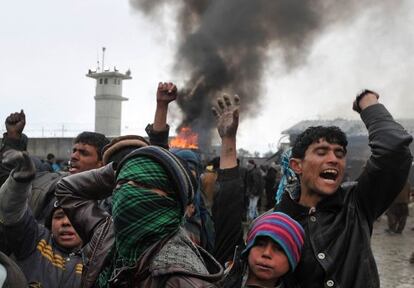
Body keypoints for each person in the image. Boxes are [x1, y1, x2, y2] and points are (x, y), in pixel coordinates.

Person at [274, 90, 413, 287]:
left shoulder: (356, 203)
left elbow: (394, 150)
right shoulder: (276, 221)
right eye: (321, 152)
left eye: (339, 154)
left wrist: (368, 102)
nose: (333, 159)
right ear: (297, 166)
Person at [56, 146, 223, 287]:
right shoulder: (106, 234)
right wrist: (120, 170)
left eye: (141, 184)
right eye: (121, 184)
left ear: (171, 200)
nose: (126, 192)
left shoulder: (182, 278)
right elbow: (67, 188)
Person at [0, 150, 84, 288]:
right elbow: (11, 212)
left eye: (74, 217)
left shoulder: (97, 256)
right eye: (58, 216)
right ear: (49, 222)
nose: (65, 222)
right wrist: (19, 182)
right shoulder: (35, 239)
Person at [222, 212, 304, 288]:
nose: (266, 253)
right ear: (248, 250)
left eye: (279, 249)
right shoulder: (218, 282)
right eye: (260, 244)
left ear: (292, 260)